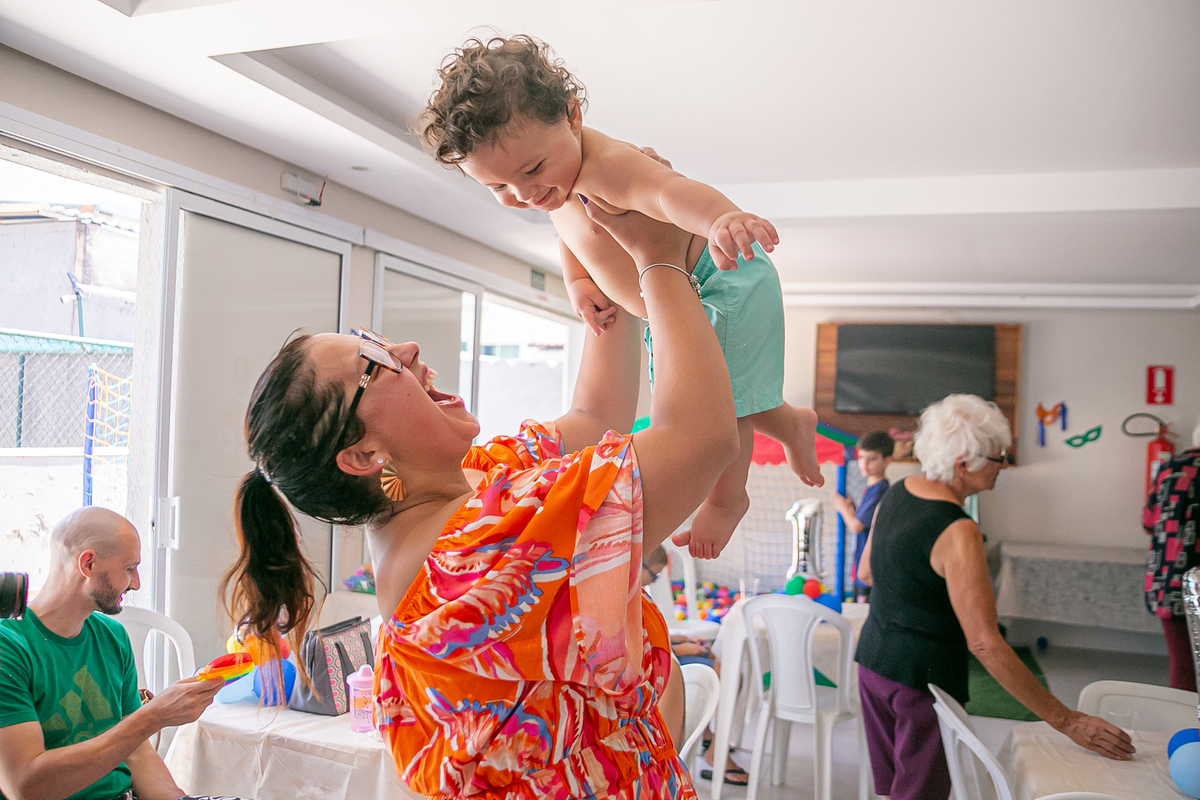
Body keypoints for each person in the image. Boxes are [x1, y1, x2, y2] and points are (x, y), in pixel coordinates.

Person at [221, 206, 740, 800]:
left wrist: (579, 216)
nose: (406, 348)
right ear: (364, 456)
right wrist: (659, 260)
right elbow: (701, 437)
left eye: (372, 338)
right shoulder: (470, 555)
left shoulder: (473, 481)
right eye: (376, 361)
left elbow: (596, 417)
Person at [419, 34, 824, 562]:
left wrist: (721, 218)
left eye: (531, 172)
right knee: (727, 393)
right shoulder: (552, 179)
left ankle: (728, 499)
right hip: (670, 301)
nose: (523, 195)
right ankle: (790, 422)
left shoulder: (606, 166)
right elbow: (566, 231)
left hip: (718, 280)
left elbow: (667, 191)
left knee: (720, 406)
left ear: (572, 115)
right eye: (498, 188)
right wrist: (579, 283)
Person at [855, 395, 1135, 800]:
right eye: (997, 456)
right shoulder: (959, 530)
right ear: (963, 463)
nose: (1004, 464)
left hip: (873, 665)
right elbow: (984, 642)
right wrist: (1067, 720)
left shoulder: (896, 492)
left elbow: (865, 572)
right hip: (922, 683)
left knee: (894, 790)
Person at [0, 507, 224, 800]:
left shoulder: (112, 636)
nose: (136, 583)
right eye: (129, 568)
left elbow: (137, 753)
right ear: (88, 564)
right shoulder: (9, 648)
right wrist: (152, 718)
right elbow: (25, 787)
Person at [1143, 416, 1200, 692]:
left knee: (1182, 665)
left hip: (1168, 580)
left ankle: (1185, 731)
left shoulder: (1168, 467)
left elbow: (1148, 522)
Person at [831, 430, 893, 603]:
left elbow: (857, 526)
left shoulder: (879, 489)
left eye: (872, 459)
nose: (864, 464)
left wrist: (842, 508)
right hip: (860, 561)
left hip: (868, 566)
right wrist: (852, 509)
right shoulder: (871, 489)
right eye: (861, 457)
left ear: (887, 460)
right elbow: (865, 522)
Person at [640, 547, 713, 668]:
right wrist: (679, 650)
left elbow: (648, 637)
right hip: (651, 661)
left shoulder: (638, 596)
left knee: (709, 651)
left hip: (659, 651)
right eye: (654, 575)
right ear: (640, 566)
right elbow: (639, 652)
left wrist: (681, 638)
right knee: (714, 666)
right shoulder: (628, 601)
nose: (653, 582)